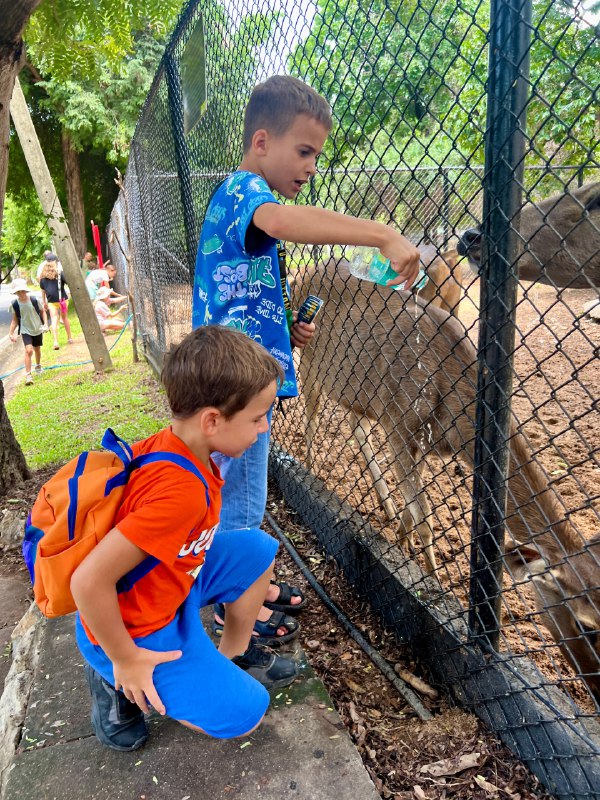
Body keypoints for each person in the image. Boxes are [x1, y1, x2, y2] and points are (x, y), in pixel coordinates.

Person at [192, 75, 420, 643]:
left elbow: (240, 294)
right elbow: (283, 220)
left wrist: (285, 331)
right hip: (233, 390)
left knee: (241, 490)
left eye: (317, 155)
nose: (312, 166)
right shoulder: (247, 191)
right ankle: (233, 607)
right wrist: (381, 234)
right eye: (304, 151)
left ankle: (249, 584)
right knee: (242, 499)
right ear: (262, 141)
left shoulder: (245, 204)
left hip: (237, 375)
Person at [72, 326, 298, 752]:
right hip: (138, 627)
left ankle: (226, 658)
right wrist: (124, 657)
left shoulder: (179, 447)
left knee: (257, 549)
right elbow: (86, 581)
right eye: (257, 416)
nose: (264, 427)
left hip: (172, 584)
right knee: (245, 714)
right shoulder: (179, 493)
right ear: (211, 420)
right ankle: (112, 677)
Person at [8, 279, 48, 385]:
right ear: (15, 293)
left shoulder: (34, 300)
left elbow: (42, 311)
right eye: (18, 292)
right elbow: (15, 319)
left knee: (37, 349)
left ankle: (38, 365)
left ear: (26, 290)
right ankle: (28, 375)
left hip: (37, 328)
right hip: (25, 330)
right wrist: (11, 333)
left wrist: (45, 325)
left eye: (22, 291)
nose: (21, 293)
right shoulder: (14, 304)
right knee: (29, 350)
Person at [39, 259, 74, 349]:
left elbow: (43, 291)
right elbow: (68, 283)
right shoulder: (59, 275)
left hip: (51, 302)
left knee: (54, 320)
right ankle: (69, 338)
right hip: (62, 300)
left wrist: (44, 301)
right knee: (65, 318)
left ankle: (55, 342)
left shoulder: (42, 279)